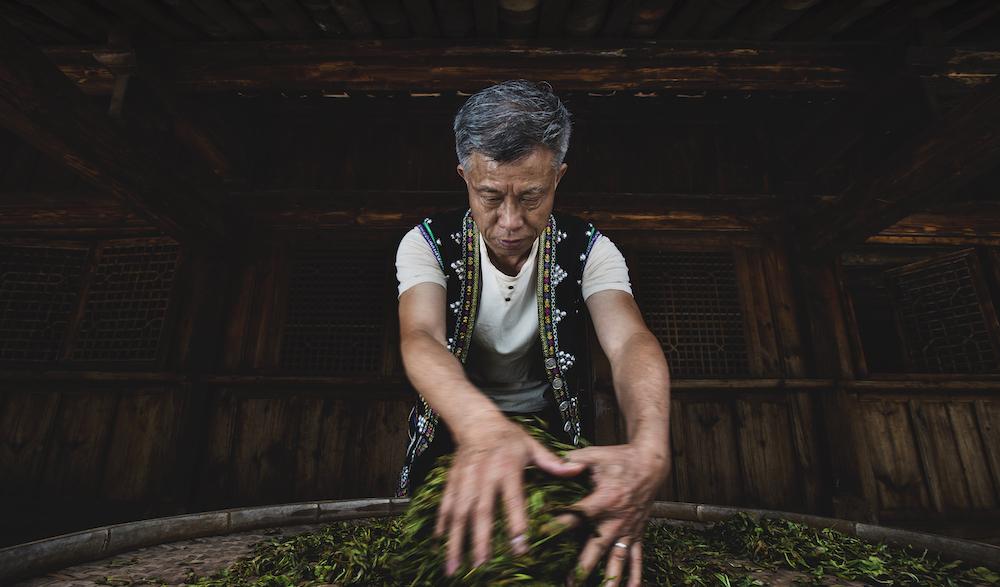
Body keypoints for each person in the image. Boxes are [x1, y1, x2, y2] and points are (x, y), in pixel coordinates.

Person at [395, 80, 671, 586]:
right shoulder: (426, 243)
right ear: (465, 178)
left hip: (556, 443)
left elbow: (630, 341)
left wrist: (650, 443)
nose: (510, 221)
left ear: (558, 178)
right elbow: (421, 338)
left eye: (531, 197)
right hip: (459, 432)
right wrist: (483, 428)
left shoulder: (592, 250)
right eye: (490, 196)